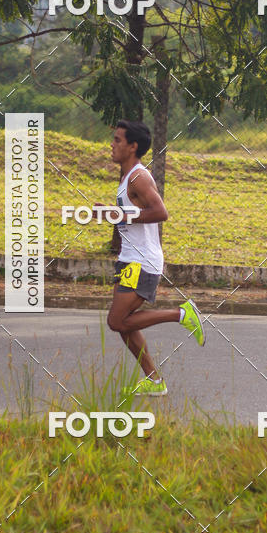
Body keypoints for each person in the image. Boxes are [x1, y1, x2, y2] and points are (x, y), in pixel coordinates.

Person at [101, 119, 205, 397]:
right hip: (129, 260)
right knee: (124, 323)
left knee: (116, 321)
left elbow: (161, 213)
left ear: (133, 147)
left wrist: (120, 215)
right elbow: (133, 215)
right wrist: (111, 212)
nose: (112, 145)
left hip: (141, 262)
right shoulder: (127, 178)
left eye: (118, 140)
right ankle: (155, 381)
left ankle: (181, 314)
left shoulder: (138, 176)